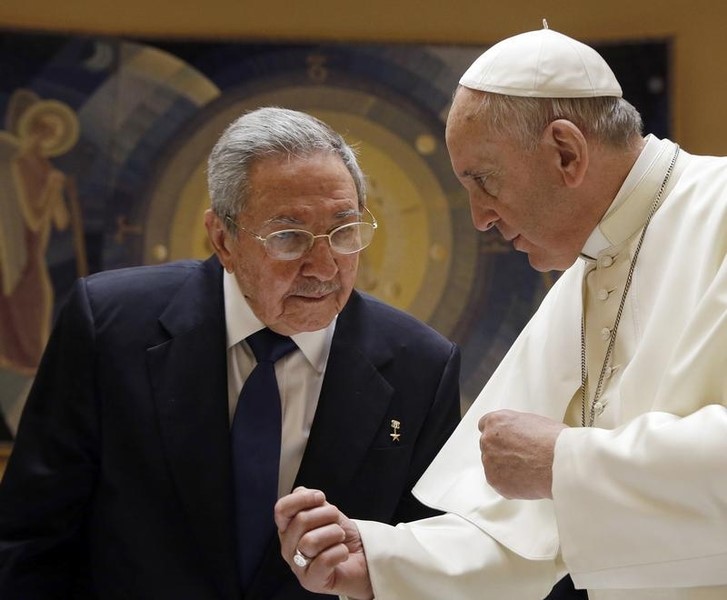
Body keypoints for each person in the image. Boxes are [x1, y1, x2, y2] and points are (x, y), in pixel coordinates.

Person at [275, 25, 727, 600]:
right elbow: (529, 529)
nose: (480, 218)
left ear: (566, 151)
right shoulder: (590, 263)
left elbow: (551, 475)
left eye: (484, 181)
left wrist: (565, 461)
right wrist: (380, 559)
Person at [0, 107, 463, 598]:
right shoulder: (110, 327)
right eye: (289, 237)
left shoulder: (421, 366)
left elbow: (430, 564)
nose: (325, 265)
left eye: (344, 231)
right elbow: (30, 543)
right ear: (223, 239)